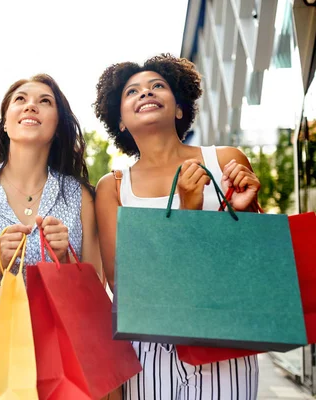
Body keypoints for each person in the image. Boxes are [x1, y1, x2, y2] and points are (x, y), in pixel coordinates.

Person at [93, 54, 261, 399]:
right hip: (150, 346)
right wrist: (189, 210)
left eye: (158, 86)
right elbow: (121, 282)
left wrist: (248, 210)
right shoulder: (113, 187)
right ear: (120, 121)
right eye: (132, 92)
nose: (146, 93)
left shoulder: (226, 161)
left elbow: (254, 260)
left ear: (180, 108)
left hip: (225, 338)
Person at [0, 73, 102, 377]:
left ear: (57, 125)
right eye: (20, 100)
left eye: (45, 102)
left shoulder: (80, 196)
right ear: (6, 122)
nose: (31, 107)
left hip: (61, 352)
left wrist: (64, 260)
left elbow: (97, 290)